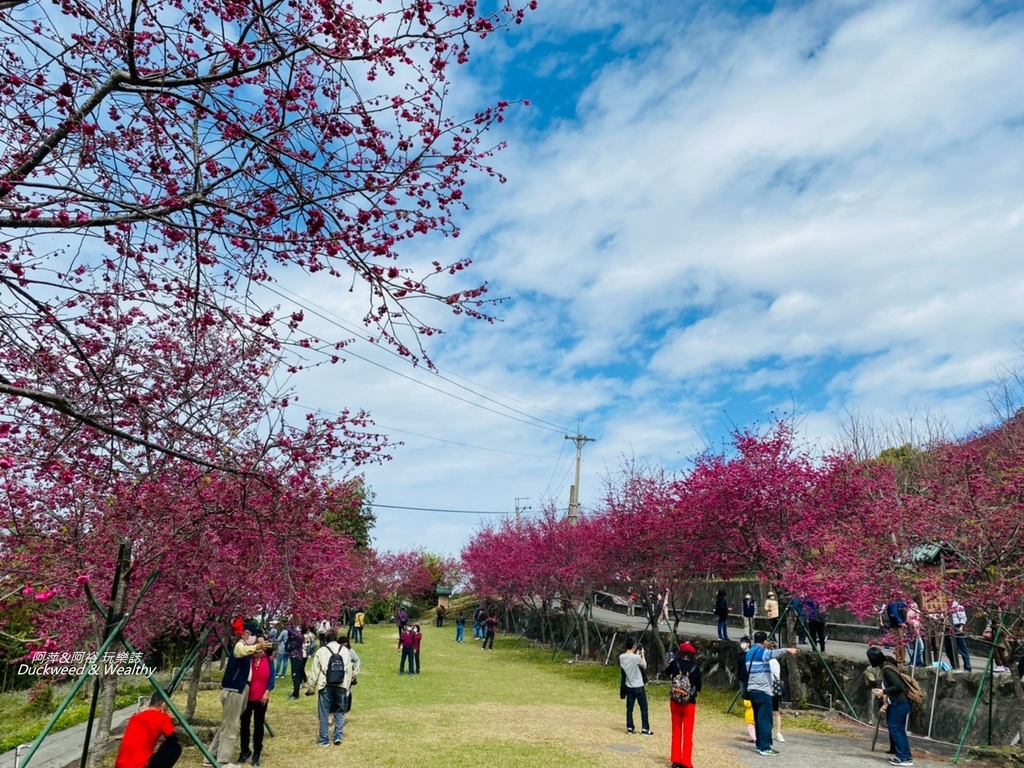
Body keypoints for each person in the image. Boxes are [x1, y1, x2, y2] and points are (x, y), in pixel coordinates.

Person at [208, 621, 272, 768]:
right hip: (233, 691)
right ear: (245, 634)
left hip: (240, 690)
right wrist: (257, 646)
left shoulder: (250, 650)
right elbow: (242, 651)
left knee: (226, 724)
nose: (255, 638)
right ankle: (223, 761)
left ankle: (210, 755)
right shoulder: (240, 645)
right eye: (253, 635)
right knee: (231, 727)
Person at [745, 631, 799, 756]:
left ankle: (759, 744)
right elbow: (774, 653)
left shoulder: (749, 653)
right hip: (763, 690)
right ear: (764, 642)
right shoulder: (761, 652)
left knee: (758, 718)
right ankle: (765, 747)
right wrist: (788, 650)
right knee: (765, 719)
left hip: (752, 690)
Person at [306, 628, 353, 745]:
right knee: (340, 711)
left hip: (325, 685)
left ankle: (324, 739)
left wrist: (311, 686)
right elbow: (348, 670)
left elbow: (315, 670)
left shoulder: (321, 651)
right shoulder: (345, 650)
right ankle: (338, 735)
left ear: (326, 639)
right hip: (341, 684)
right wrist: (346, 686)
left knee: (324, 712)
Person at [867, 646, 913, 766]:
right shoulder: (888, 665)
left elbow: (899, 686)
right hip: (902, 703)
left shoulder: (887, 669)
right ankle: (906, 756)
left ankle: (903, 757)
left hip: (899, 703)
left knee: (894, 728)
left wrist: (883, 692)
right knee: (900, 730)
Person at [115, 692, 180, 768]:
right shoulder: (162, 717)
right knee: (176, 748)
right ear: (164, 704)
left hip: (120, 764)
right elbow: (173, 741)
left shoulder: (135, 717)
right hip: (140, 765)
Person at [663, 641, 701, 768]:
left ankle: (675, 760)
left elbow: (666, 672)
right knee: (688, 733)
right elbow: (699, 687)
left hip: (675, 701)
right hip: (689, 703)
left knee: (676, 731)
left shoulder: (675, 664)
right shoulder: (696, 668)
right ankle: (686, 761)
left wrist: (671, 664)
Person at [238, 633, 274, 767]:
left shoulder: (268, 659)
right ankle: (244, 751)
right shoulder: (248, 659)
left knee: (259, 726)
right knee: (245, 725)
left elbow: (272, 678)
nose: (259, 646)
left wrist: (267, 692)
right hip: (247, 697)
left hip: (261, 698)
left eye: (262, 643)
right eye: (257, 643)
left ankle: (257, 753)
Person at [618, 637, 652, 736]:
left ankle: (630, 727)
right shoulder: (637, 658)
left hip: (629, 685)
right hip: (639, 686)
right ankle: (645, 729)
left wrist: (636, 655)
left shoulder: (621, 657)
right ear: (634, 646)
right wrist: (642, 655)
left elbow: (629, 663)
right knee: (644, 708)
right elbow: (644, 665)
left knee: (630, 708)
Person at [765, 641, 785, 743]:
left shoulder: (773, 662)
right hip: (766, 688)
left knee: (775, 711)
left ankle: (778, 732)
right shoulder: (770, 661)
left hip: (771, 688)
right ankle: (774, 732)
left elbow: (776, 676)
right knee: (773, 712)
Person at [944, 600, 971, 671]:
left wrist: (961, 627)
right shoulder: (943, 606)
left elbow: (963, 617)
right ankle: (954, 665)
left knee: (962, 648)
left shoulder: (957, 606)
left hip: (956, 626)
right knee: (949, 650)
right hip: (947, 628)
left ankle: (967, 667)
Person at [285, 621, 305, 699]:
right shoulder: (297, 636)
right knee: (295, 676)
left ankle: (295, 694)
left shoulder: (300, 636)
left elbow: (290, 630)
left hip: (297, 657)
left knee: (295, 676)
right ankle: (295, 693)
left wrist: (290, 621)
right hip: (295, 657)